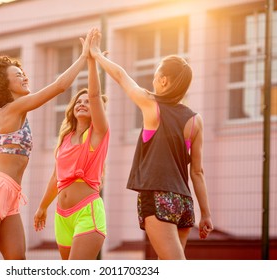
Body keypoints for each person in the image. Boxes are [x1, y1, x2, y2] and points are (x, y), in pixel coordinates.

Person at [0, 29, 94, 260]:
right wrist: (84, 57)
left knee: (18, 263)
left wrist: (5, 190)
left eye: (23, 72)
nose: (24, 76)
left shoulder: (5, 119)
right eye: (18, 74)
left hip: (9, 197)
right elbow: (59, 86)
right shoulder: (12, 109)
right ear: (5, 85)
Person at [89, 28, 213, 260]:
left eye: (156, 75)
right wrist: (205, 214)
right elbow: (197, 172)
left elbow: (120, 75)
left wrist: (96, 54)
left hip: (158, 197)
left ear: (164, 81)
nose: (153, 80)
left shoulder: (151, 106)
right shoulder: (196, 120)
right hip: (184, 202)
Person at [34, 53, 109, 260]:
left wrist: (92, 62)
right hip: (62, 216)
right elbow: (55, 177)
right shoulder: (65, 138)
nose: (82, 103)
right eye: (78, 101)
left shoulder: (97, 135)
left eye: (87, 102)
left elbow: (95, 96)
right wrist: (42, 207)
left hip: (87, 213)